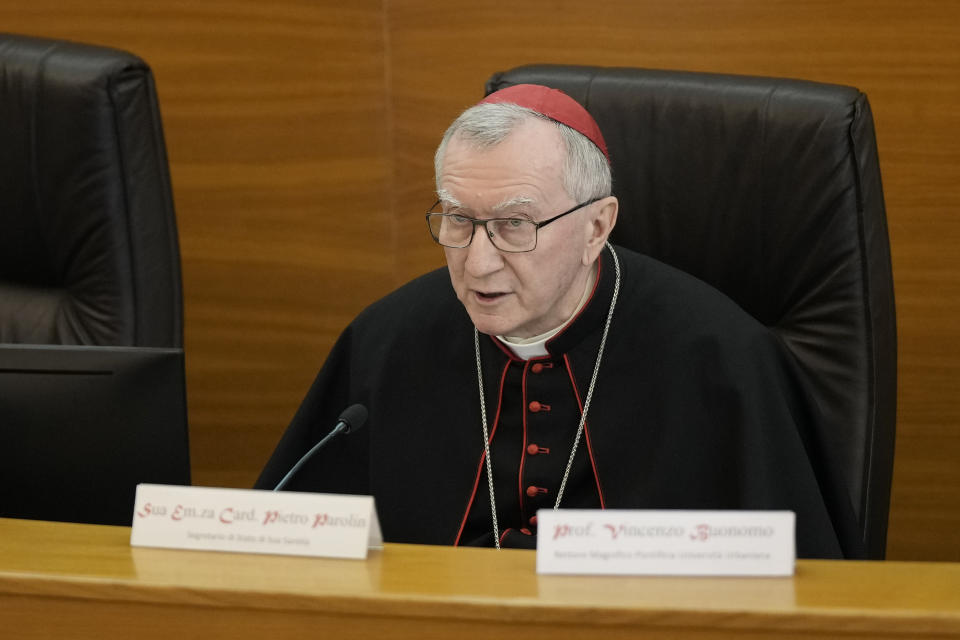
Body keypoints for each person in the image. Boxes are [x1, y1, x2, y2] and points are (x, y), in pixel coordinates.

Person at [255, 84, 861, 558]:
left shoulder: (720, 356)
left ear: (597, 226)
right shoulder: (387, 341)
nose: (479, 260)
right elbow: (291, 551)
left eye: (515, 225)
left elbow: (797, 586)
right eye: (460, 220)